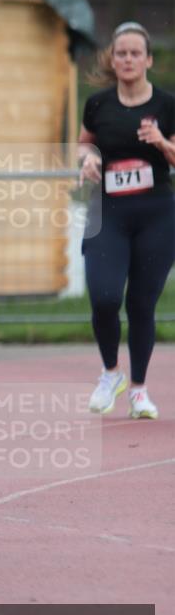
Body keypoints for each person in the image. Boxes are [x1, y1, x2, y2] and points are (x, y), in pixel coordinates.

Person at [79, 21, 175, 419]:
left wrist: (162, 143)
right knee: (103, 297)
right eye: (121, 53)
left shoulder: (167, 106)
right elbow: (84, 143)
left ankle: (138, 390)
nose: (128, 59)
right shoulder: (98, 105)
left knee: (141, 303)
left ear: (148, 60)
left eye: (136, 53)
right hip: (109, 214)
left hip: (157, 215)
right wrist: (87, 159)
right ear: (113, 60)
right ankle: (110, 373)